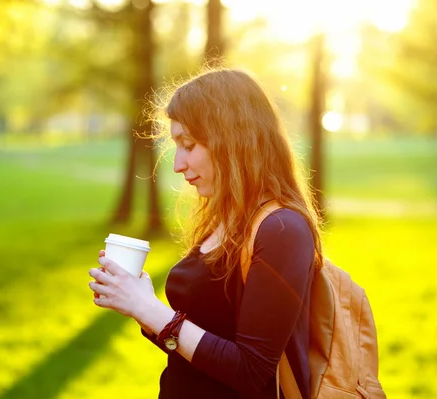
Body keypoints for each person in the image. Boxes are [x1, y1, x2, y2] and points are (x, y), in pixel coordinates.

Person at [88, 68, 324, 398]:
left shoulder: (282, 230)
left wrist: (152, 311)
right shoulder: (225, 217)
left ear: (232, 139)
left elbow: (253, 373)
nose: (177, 164)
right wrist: (137, 301)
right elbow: (203, 346)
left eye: (189, 144)